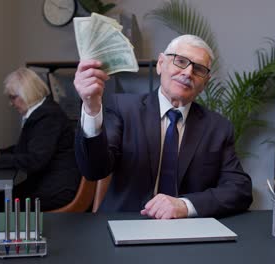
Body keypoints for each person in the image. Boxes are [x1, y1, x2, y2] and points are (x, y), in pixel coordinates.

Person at [73, 34, 253, 219]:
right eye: (180, 61)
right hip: (126, 223)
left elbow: (239, 189)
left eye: (198, 69)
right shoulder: (123, 108)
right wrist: (91, 107)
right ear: (160, 64)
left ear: (205, 83)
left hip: (188, 230)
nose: (187, 72)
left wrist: (185, 205)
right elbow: (94, 170)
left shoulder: (217, 127)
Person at [0, 67, 80, 212]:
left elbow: (35, 160)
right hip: (50, 184)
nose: (11, 103)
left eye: (12, 97)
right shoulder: (44, 111)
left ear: (27, 93)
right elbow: (26, 149)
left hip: (57, 190)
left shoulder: (47, 116)